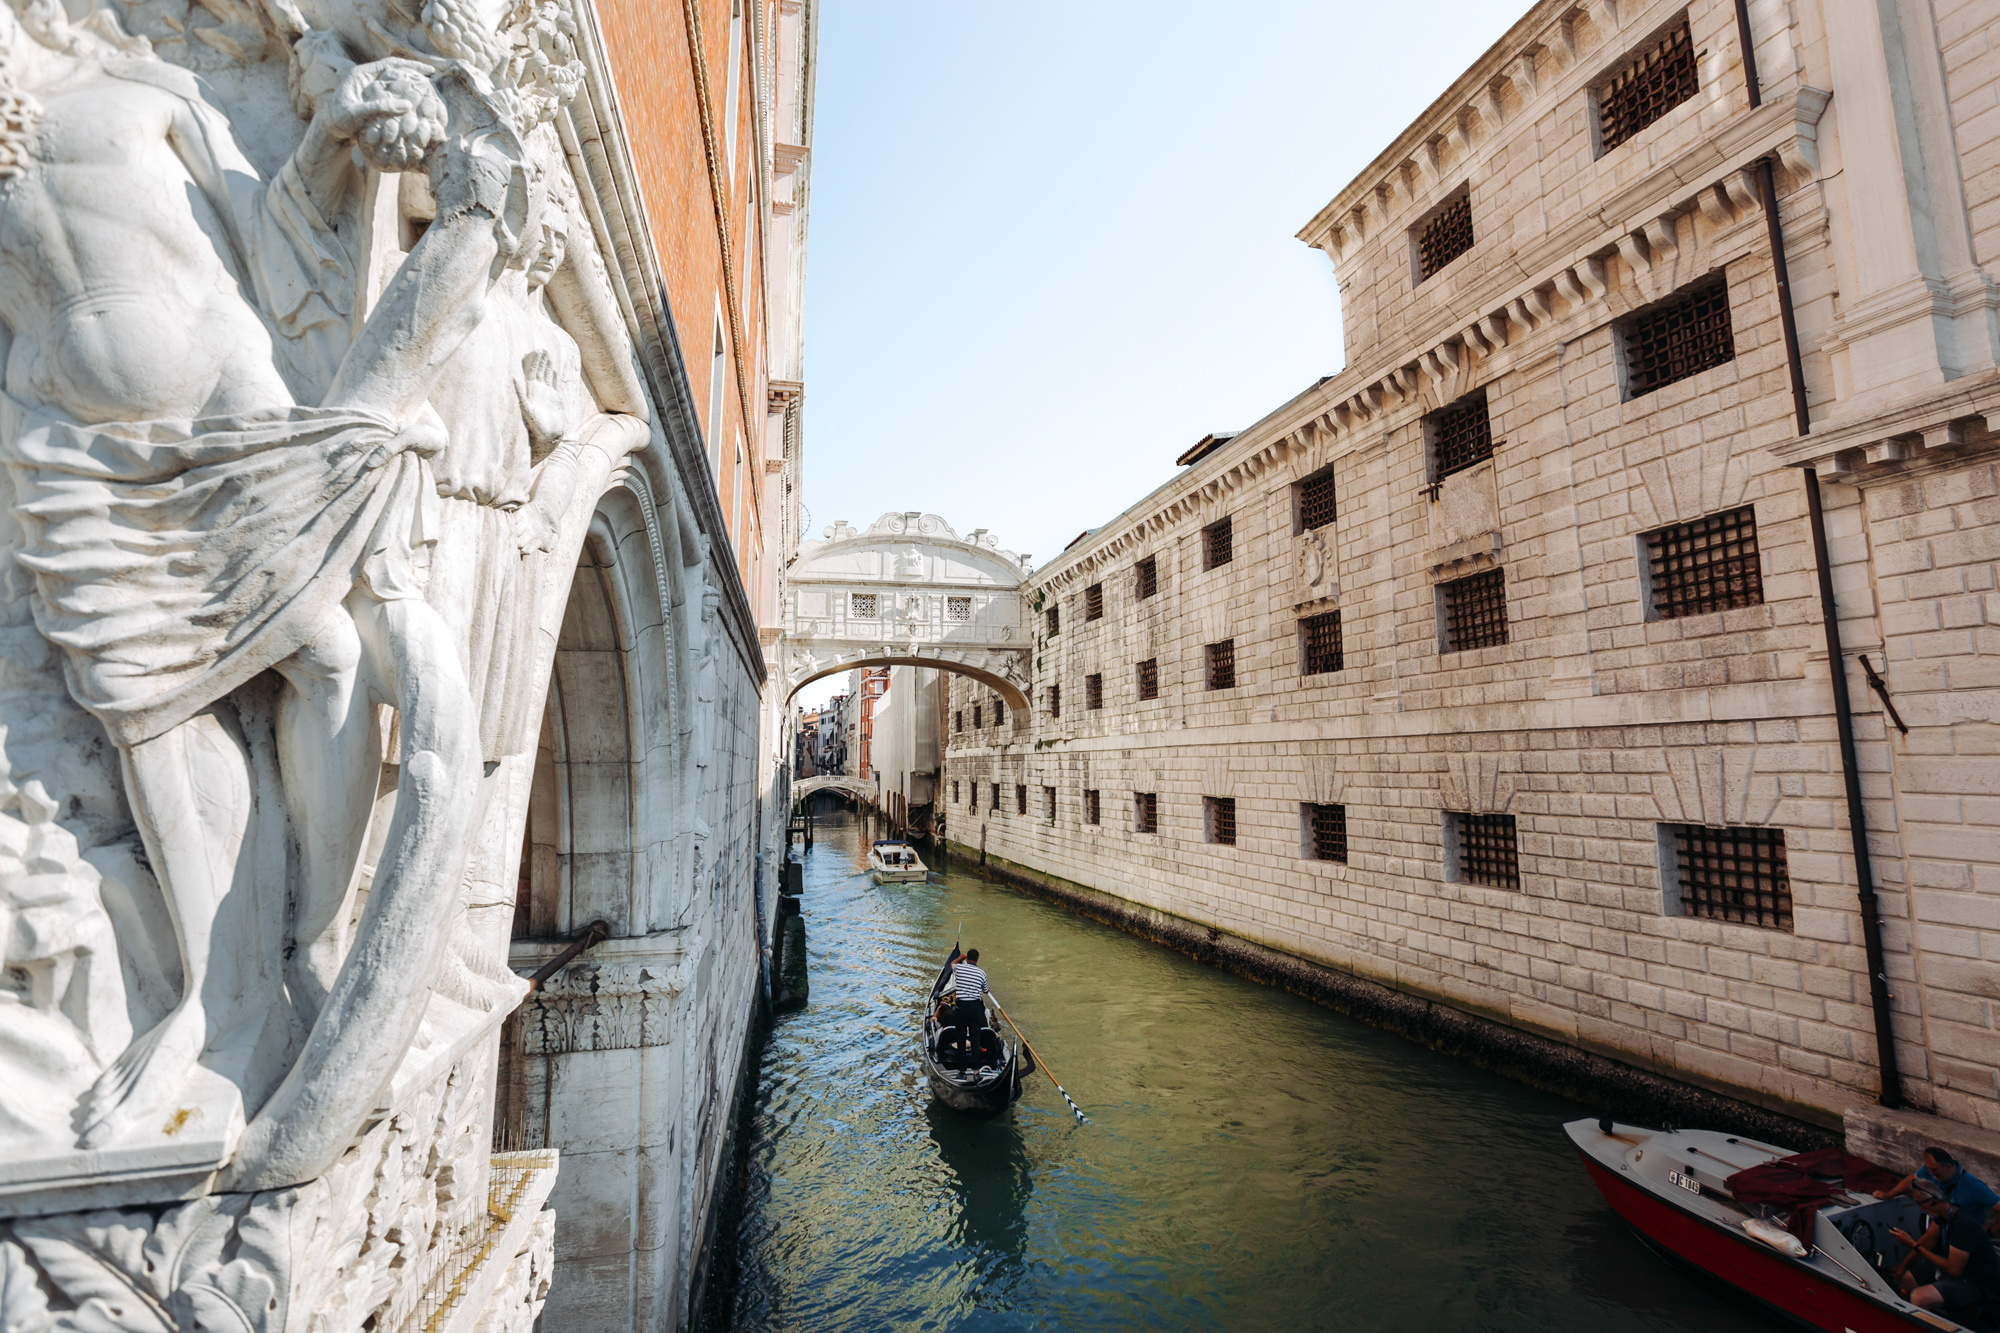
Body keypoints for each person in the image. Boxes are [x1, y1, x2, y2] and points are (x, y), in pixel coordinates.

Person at [1891, 1181, 2000, 1316]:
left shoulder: (1962, 1225)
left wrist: (1913, 1245)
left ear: (1932, 1202)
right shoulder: (1943, 1216)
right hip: (1952, 1269)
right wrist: (1903, 1265)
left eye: (1920, 1204)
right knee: (1903, 1280)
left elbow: (1954, 1269)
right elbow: (1928, 1241)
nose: (1920, 1209)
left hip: (1976, 1280)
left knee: (1919, 1297)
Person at [1877, 1147, 2000, 1224]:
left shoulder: (1974, 1186)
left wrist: (1991, 1232)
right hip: (1940, 1225)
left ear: (1948, 1167)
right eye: (1928, 1169)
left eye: (1934, 1170)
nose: (1930, 1174)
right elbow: (1912, 1180)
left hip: (1965, 1232)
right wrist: (1889, 1195)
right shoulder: (1929, 1171)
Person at [950, 948, 992, 1062]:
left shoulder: (958, 968)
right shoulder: (981, 973)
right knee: (975, 1038)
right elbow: (986, 990)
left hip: (961, 1007)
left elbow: (951, 964)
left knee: (961, 1037)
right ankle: (976, 1071)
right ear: (977, 959)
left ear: (967, 958)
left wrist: (959, 958)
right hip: (975, 1008)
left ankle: (962, 1071)